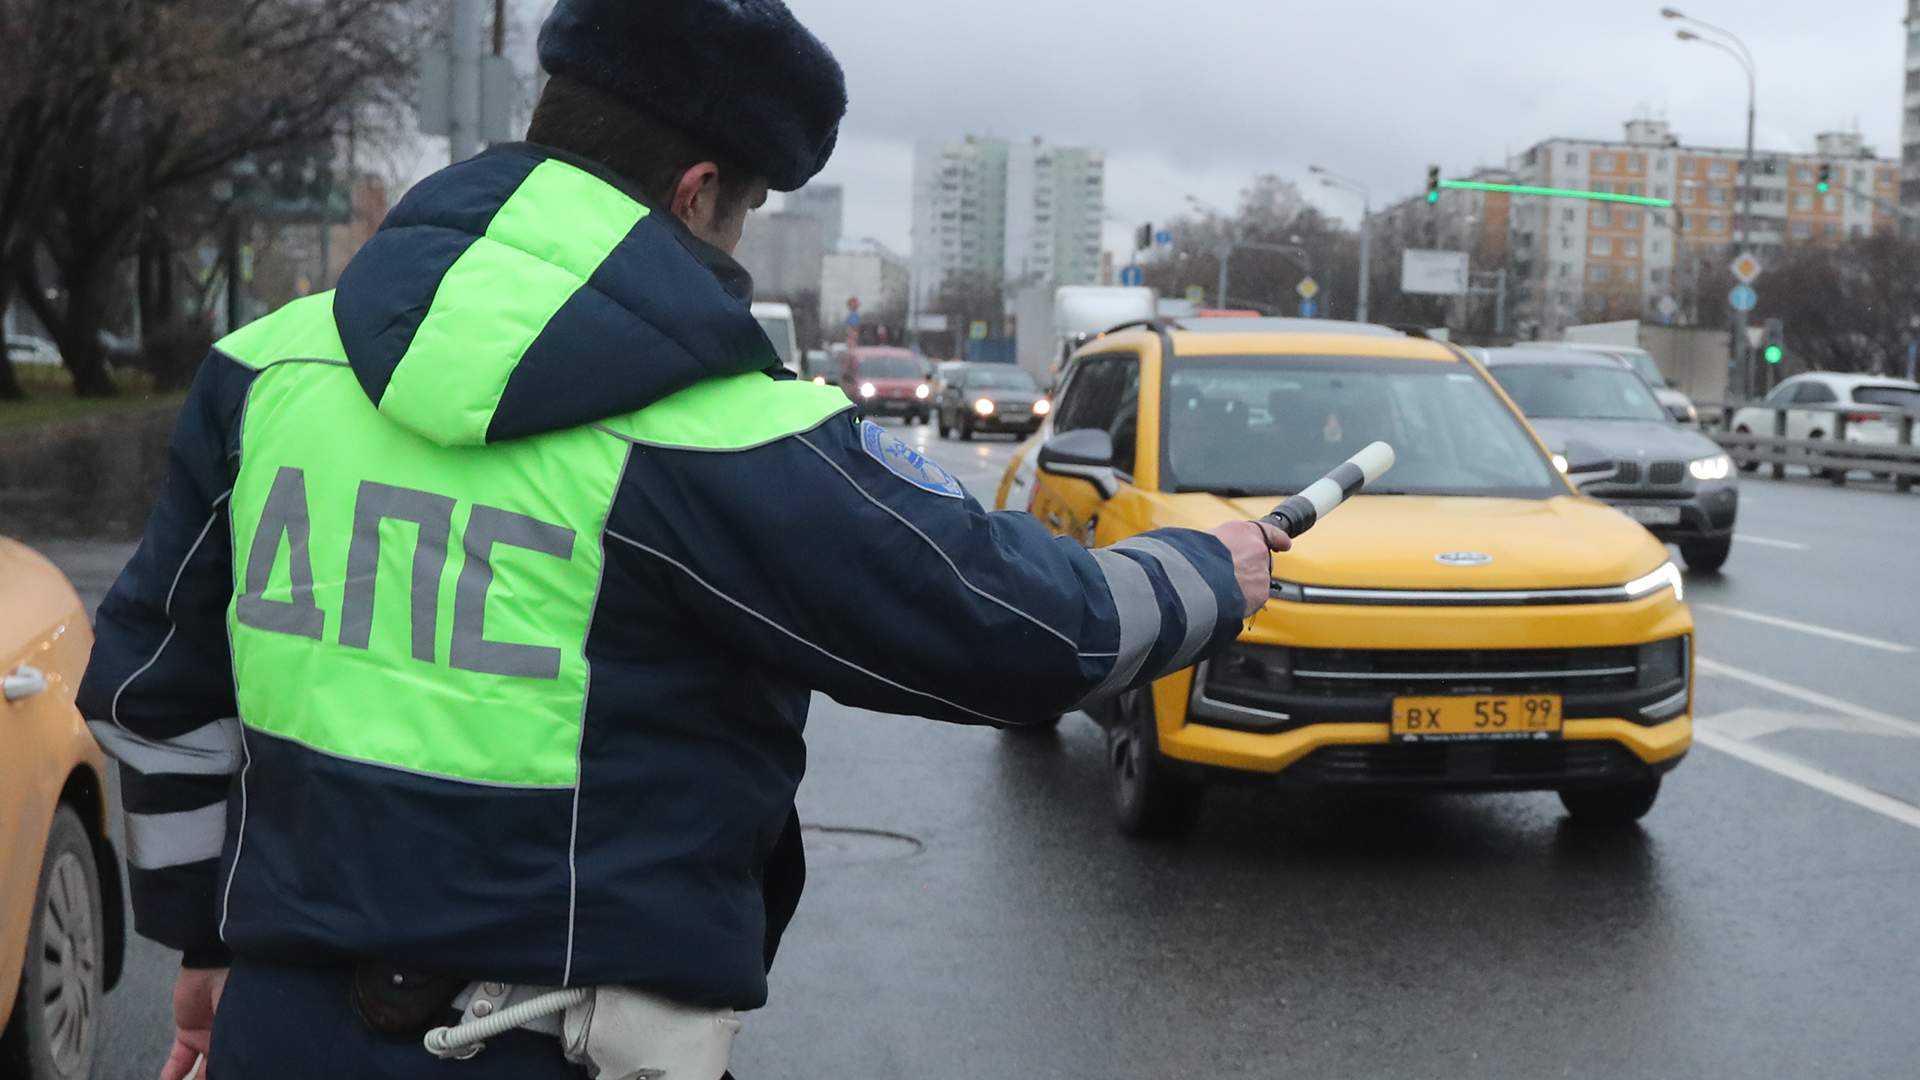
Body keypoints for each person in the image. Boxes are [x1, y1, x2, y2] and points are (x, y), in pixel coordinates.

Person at [75, 1, 1289, 1077]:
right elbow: (1012, 631)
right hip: (554, 1041)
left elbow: (152, 700)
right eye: (746, 210)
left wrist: (205, 940)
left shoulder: (267, 369)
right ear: (695, 192)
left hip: (282, 1029)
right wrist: (1201, 576)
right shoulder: (712, 430)